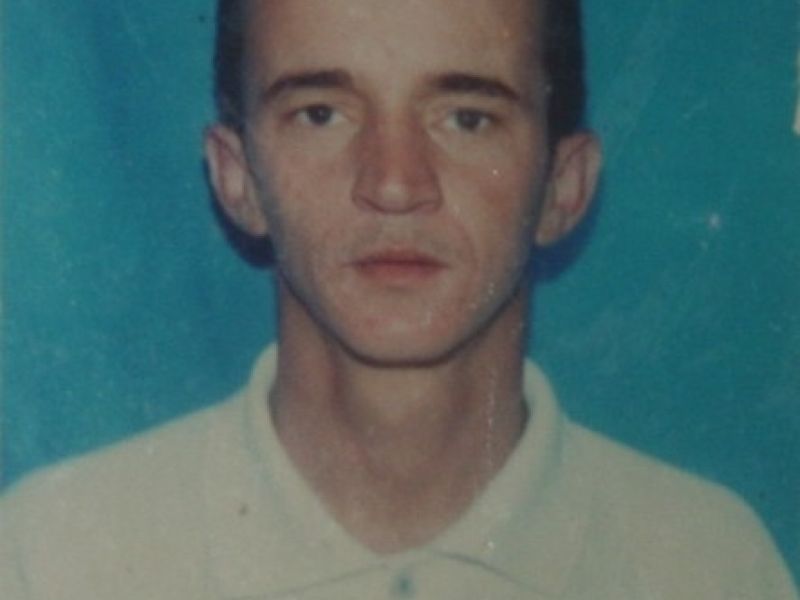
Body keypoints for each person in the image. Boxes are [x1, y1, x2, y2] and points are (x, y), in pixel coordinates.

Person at [1, 0, 797, 598]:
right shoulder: (58, 560)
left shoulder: (706, 567)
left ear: (563, 185)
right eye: (321, 114)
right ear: (237, 178)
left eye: (467, 118)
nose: (393, 182)